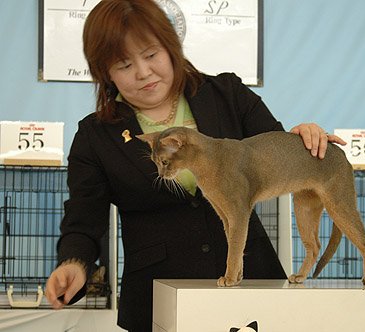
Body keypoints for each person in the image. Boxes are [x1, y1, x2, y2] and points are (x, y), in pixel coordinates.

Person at [44, 0, 346, 331]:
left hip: (252, 287)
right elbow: (84, 219)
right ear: (105, 73)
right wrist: (74, 263)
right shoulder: (95, 135)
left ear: (171, 47)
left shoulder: (226, 94)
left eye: (151, 55)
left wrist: (303, 137)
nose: (143, 72)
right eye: (124, 64)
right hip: (156, 298)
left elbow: (276, 147)